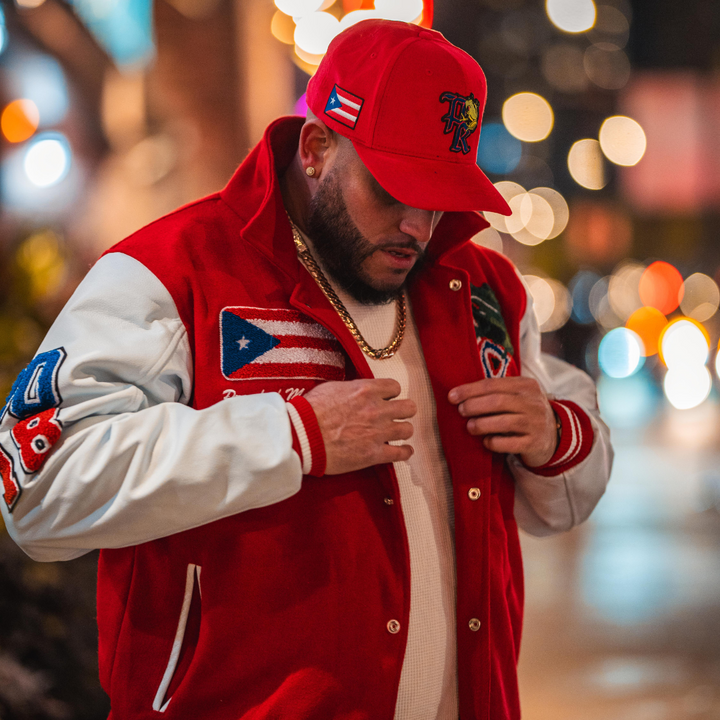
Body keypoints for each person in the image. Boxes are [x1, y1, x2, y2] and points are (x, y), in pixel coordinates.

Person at [0, 19, 612, 720]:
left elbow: (565, 498)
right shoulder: (172, 270)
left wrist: (555, 435)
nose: (418, 223)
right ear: (319, 147)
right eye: (394, 187)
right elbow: (36, 491)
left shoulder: (484, 289)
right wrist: (289, 438)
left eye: (439, 194)